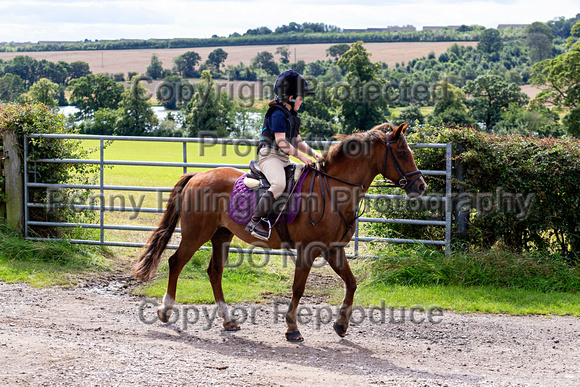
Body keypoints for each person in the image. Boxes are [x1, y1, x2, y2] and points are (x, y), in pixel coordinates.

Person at [245, 70, 322, 241]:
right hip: (270, 157)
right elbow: (281, 142)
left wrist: (316, 155)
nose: (302, 102)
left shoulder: (292, 117)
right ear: (292, 98)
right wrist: (302, 158)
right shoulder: (277, 113)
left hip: (284, 159)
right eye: (301, 98)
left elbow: (298, 142)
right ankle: (256, 221)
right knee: (279, 184)